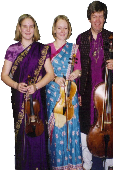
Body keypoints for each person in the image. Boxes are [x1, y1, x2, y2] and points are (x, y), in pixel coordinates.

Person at [1, 14, 54, 170]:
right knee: (22, 137)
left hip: (38, 98)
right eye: (25, 26)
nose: (28, 29)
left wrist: (36, 86)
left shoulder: (42, 49)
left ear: (35, 29)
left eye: (31, 26)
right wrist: (17, 85)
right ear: (19, 28)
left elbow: (50, 74)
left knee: (38, 135)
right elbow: (4, 75)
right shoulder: (12, 49)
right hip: (19, 98)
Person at [76, 1, 113, 169]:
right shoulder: (81, 38)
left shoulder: (112, 37)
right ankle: (87, 162)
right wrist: (78, 93)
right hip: (86, 89)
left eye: (101, 16)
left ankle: (109, 160)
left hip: (107, 91)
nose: (97, 20)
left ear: (105, 18)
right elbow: (77, 67)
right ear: (89, 19)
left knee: (109, 125)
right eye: (94, 16)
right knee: (85, 125)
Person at [46, 15, 83, 170]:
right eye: (59, 27)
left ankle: (73, 165)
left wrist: (76, 73)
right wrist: (54, 78)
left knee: (72, 129)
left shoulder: (74, 48)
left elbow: (79, 69)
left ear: (69, 31)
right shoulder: (46, 49)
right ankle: (58, 165)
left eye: (65, 28)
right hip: (54, 95)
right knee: (57, 132)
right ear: (54, 29)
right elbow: (42, 73)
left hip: (70, 94)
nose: (62, 31)